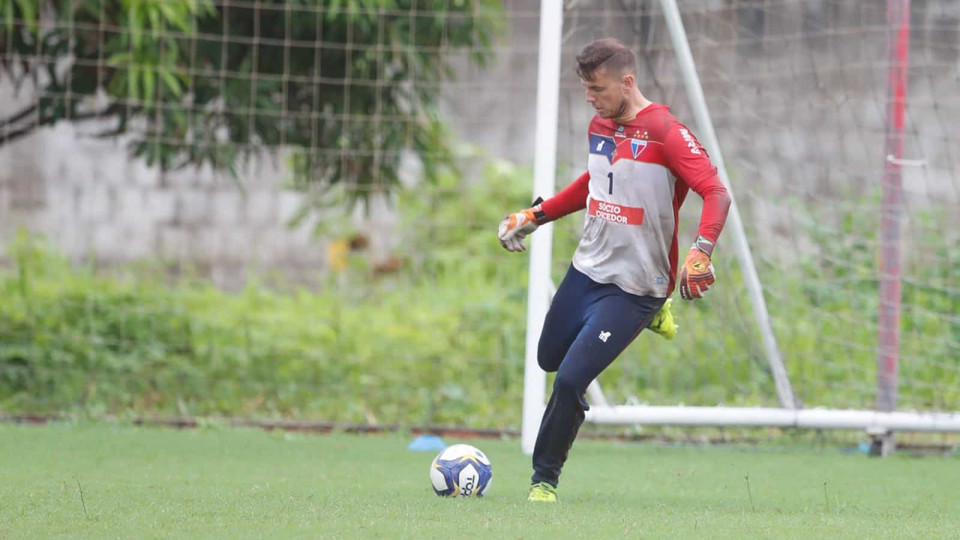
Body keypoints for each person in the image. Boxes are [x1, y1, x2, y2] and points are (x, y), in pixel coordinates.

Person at [497, 38, 731, 502]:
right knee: (549, 359)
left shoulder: (666, 132)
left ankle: (544, 479)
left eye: (598, 88)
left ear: (627, 82)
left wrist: (701, 251)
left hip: (636, 287)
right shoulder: (600, 124)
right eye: (585, 88)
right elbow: (594, 181)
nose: (590, 97)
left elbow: (716, 192)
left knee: (568, 381)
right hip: (588, 269)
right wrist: (535, 216)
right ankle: (647, 320)